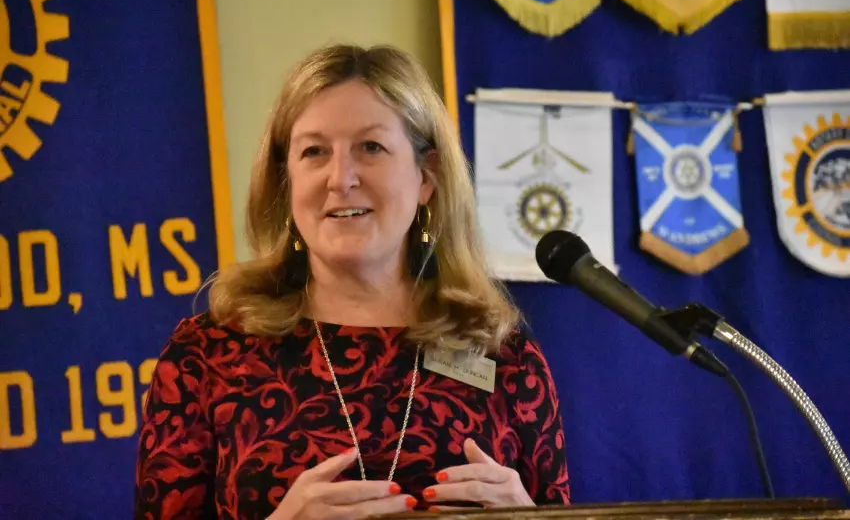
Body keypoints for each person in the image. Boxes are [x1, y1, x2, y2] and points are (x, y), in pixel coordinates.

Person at [134, 44, 570, 519]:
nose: (340, 179)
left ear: (426, 177)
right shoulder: (207, 356)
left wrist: (530, 518)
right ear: (286, 182)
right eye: (314, 152)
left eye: (371, 147)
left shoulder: (508, 363)